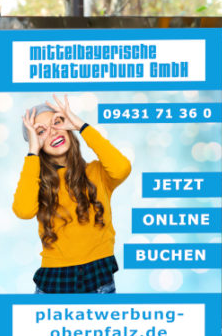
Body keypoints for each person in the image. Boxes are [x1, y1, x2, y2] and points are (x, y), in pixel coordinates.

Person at [13, 94, 132, 294]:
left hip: (99, 279)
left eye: (57, 123)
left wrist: (81, 125)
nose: (52, 132)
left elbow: (122, 168)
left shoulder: (98, 173)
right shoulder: (37, 183)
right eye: (41, 131)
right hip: (53, 282)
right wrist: (33, 151)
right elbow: (23, 210)